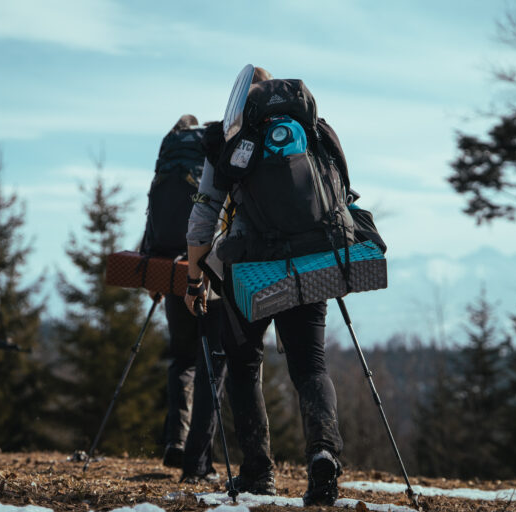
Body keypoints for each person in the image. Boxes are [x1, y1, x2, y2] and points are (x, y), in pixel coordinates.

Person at [184, 67, 346, 506]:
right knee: (311, 365)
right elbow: (342, 194)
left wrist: (195, 279)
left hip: (251, 269)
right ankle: (323, 454)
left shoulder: (228, 141)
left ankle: (258, 475)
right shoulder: (314, 132)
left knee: (243, 366)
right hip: (313, 262)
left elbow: (203, 219)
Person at [140, 115, 227, 474]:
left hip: (168, 261)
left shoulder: (168, 156)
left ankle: (176, 440)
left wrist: (151, 269)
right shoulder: (212, 148)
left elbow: (151, 218)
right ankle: (199, 456)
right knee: (214, 358)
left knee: (182, 357)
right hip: (207, 263)